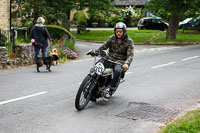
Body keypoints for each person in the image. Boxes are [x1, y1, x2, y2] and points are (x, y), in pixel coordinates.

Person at [87, 22, 134, 100]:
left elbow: (130, 55)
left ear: (124, 31)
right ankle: (91, 83)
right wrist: (94, 51)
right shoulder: (112, 38)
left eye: (120, 31)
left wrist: (126, 64)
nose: (118, 33)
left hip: (120, 61)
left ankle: (110, 90)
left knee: (118, 71)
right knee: (97, 65)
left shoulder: (129, 41)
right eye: (117, 31)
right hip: (109, 58)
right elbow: (103, 46)